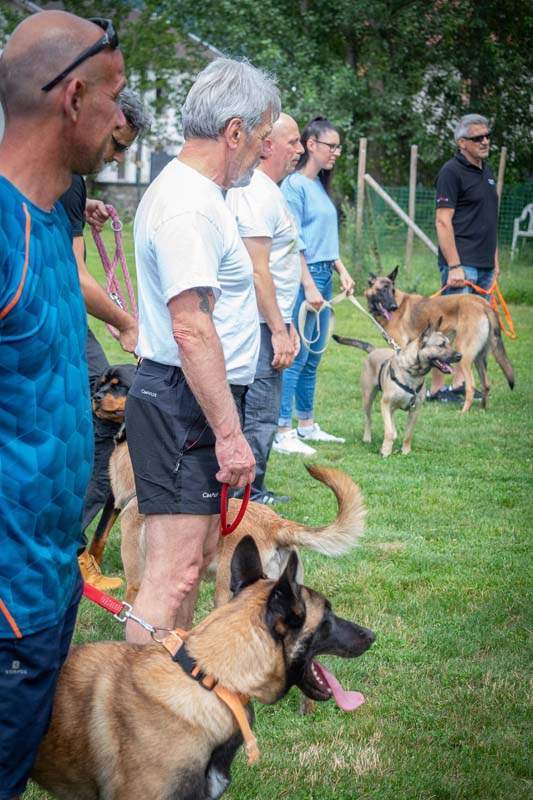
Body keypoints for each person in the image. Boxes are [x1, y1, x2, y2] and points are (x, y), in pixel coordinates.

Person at [0, 11, 126, 799]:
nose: (123, 120)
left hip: (50, 589)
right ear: (72, 97)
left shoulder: (50, 223)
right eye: (116, 98)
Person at [125, 58, 280, 642]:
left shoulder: (203, 195)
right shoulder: (188, 205)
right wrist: (231, 434)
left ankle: (168, 706)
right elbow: (190, 328)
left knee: (186, 575)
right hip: (183, 402)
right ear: (234, 132)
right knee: (172, 576)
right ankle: (138, 717)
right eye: (262, 139)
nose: (264, 153)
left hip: (192, 399)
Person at [58, 88, 152, 590]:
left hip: (56, 316)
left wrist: (79, 203)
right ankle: (71, 551)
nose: (117, 156)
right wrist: (128, 322)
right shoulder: (69, 175)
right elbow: (75, 276)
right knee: (101, 418)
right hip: (55, 316)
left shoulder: (62, 175)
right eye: (117, 143)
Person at [226, 112, 304, 504]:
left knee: (263, 409)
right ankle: (247, 495)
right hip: (258, 325)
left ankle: (250, 489)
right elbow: (258, 271)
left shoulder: (269, 190)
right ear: (269, 145)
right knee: (259, 410)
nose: (301, 149)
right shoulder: (256, 192)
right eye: (294, 141)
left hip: (267, 321)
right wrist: (278, 329)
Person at [273, 115, 354, 454]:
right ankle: (282, 430)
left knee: (313, 357)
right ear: (311, 145)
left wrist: (342, 269)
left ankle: (306, 425)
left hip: (324, 275)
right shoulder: (292, 186)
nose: (336, 152)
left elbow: (324, 238)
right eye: (330, 145)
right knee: (296, 353)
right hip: (304, 278)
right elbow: (295, 240)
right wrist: (309, 285)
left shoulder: (320, 186)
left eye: (338, 147)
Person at [428, 113, 499, 402]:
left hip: (484, 267)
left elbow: (489, 219)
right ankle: (440, 388)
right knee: (449, 329)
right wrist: (455, 265)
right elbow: (443, 222)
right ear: (461, 143)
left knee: (477, 332)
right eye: (477, 138)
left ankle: (462, 384)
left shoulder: (487, 171)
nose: (485, 141)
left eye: (487, 136)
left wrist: (495, 261)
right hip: (461, 266)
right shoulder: (450, 172)